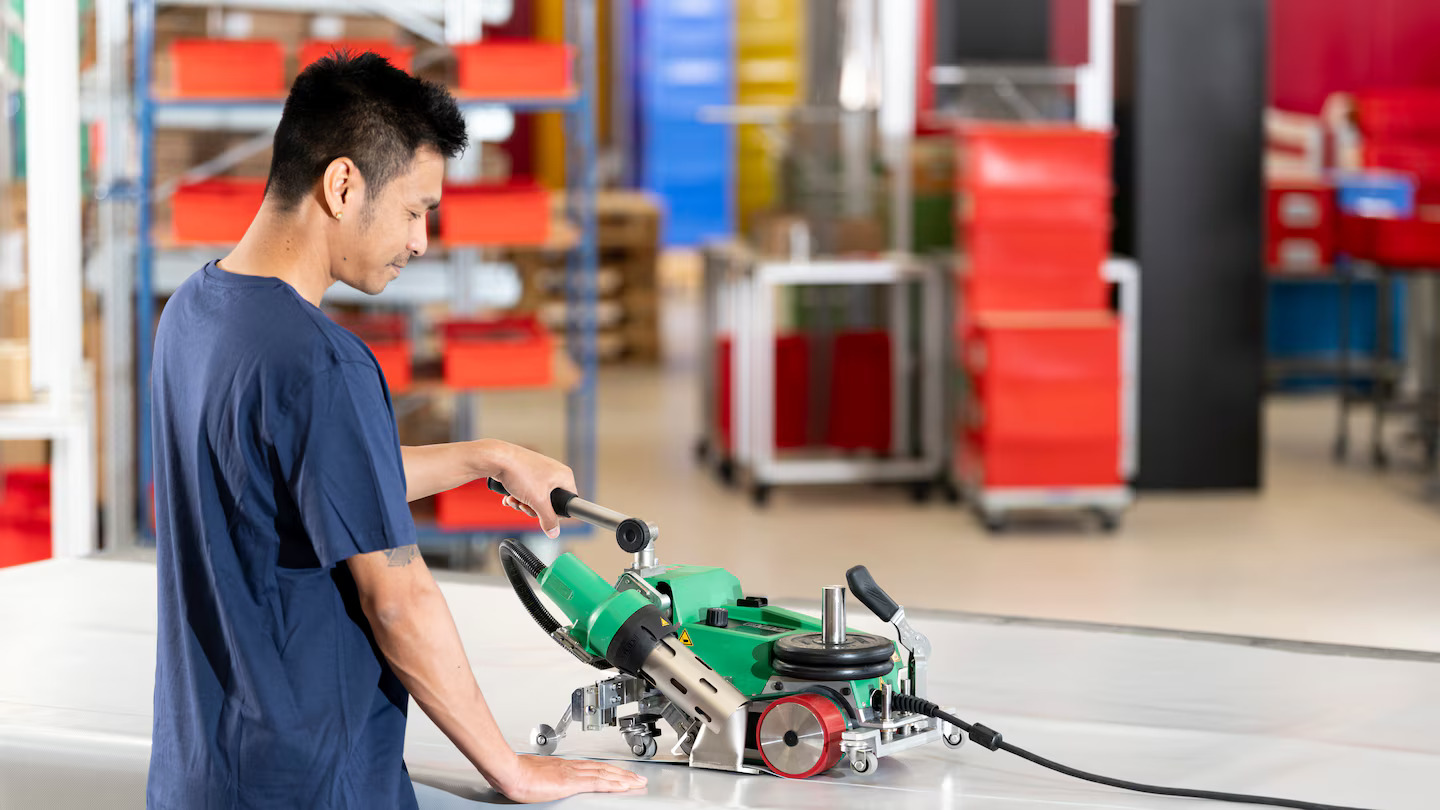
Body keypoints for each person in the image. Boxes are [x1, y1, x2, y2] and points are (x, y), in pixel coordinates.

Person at [146, 52, 646, 808]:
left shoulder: (195, 310)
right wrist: (509, 767)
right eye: (416, 210)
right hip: (313, 784)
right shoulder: (322, 362)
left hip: (201, 775)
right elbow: (398, 599)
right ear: (343, 185)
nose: (419, 242)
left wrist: (490, 456)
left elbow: (312, 479)